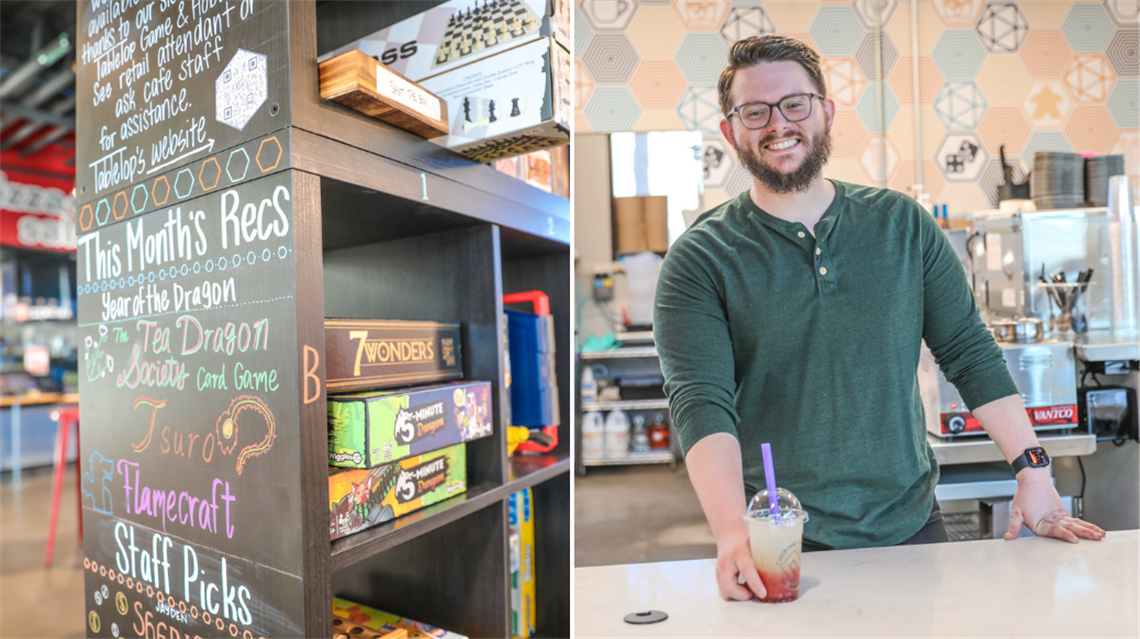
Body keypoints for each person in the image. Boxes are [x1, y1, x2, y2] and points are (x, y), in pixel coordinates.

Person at [652, 35, 1106, 602]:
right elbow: (701, 400)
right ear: (730, 131)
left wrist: (1033, 471)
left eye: (795, 103)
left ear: (826, 111)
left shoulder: (902, 225)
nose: (777, 123)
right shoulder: (700, 257)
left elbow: (967, 349)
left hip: (912, 526)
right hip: (781, 541)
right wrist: (730, 534)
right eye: (754, 111)